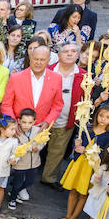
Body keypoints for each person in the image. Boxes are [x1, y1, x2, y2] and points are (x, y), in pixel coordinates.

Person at [40, 42, 86, 185]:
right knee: (33, 148)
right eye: (66, 51)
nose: (70, 54)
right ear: (59, 55)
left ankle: (48, 179)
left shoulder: (83, 76)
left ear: (78, 55)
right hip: (43, 119)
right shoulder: (47, 70)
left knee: (57, 152)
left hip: (65, 120)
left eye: (73, 51)